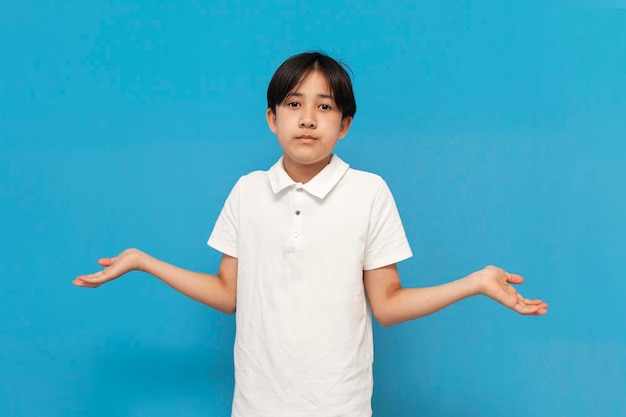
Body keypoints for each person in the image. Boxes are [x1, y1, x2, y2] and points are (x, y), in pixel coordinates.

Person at [74, 51, 548, 417]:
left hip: (338, 405)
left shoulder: (368, 191)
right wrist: (142, 260)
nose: (307, 118)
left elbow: (387, 304)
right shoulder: (247, 191)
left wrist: (475, 282)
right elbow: (226, 292)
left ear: (344, 125)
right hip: (257, 405)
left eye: (324, 107)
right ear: (271, 118)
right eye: (294, 104)